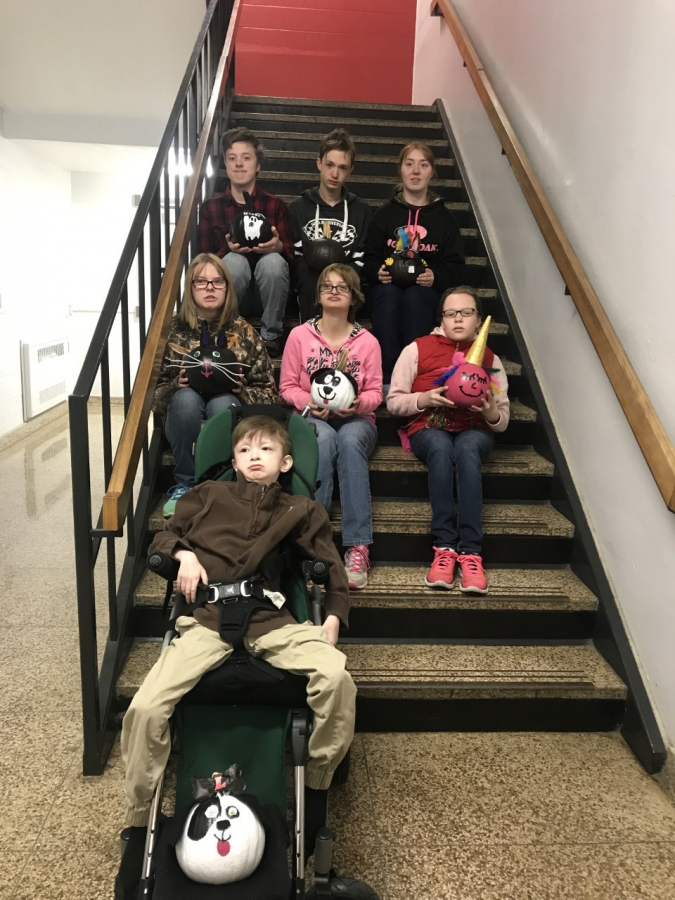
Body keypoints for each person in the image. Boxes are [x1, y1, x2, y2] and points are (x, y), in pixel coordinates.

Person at [116, 415, 356, 900]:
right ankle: (140, 820)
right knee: (144, 707)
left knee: (336, 678)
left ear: (285, 462)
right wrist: (183, 556)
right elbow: (164, 538)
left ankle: (318, 786)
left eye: (266, 450)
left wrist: (333, 614)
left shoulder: (301, 509)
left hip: (271, 620)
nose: (254, 456)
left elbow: (330, 565)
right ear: (233, 459)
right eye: (245, 449)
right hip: (206, 619)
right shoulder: (204, 497)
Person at [386, 286, 510, 593]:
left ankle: (470, 553)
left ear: (478, 320)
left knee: (466, 450)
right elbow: (393, 402)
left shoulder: (490, 358)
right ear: (441, 317)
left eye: (466, 313)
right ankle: (444, 548)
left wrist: (492, 410)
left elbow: (502, 423)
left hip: (474, 430)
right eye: (450, 313)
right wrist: (425, 398)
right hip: (428, 428)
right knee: (441, 449)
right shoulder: (417, 348)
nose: (458, 319)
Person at [279, 264, 383, 590]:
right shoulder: (299, 336)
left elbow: (377, 392)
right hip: (313, 416)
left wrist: (359, 404)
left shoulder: (367, 342)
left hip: (357, 419)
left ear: (353, 297)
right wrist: (310, 405)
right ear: (318, 295)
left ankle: (358, 546)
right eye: (327, 286)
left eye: (342, 287)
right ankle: (314, 542)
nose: (334, 291)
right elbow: (286, 387)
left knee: (350, 442)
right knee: (321, 440)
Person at [154, 253, 277, 517]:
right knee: (186, 400)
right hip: (182, 412)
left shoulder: (244, 331)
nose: (210, 288)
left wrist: (243, 390)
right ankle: (186, 484)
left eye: (217, 282)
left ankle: (219, 482)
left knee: (223, 404)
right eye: (201, 282)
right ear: (190, 288)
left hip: (228, 406)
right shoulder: (172, 330)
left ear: (227, 288)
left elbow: (269, 390)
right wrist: (177, 384)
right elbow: (153, 396)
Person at [363, 141, 465, 385]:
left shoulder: (445, 219)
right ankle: (388, 374)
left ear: (432, 171)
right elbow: (369, 258)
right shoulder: (384, 214)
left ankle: (414, 374)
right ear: (401, 169)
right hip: (387, 289)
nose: (416, 171)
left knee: (415, 297)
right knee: (388, 296)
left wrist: (435, 276)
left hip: (425, 293)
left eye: (423, 164)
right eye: (409, 164)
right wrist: (377, 272)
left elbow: (456, 267)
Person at [197, 127, 294, 357]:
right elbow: (202, 262)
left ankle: (271, 336)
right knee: (234, 261)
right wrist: (226, 250)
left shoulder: (276, 206)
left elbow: (291, 256)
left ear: (257, 165)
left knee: (272, 261)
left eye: (246, 158)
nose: (239, 164)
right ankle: (229, 332)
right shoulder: (211, 207)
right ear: (226, 165)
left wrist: (278, 247)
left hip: (268, 295)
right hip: (229, 293)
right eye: (232, 158)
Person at [288, 129, 372, 321]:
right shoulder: (298, 208)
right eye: (330, 165)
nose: (335, 173)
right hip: (310, 278)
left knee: (342, 285)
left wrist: (339, 280)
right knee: (311, 281)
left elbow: (360, 258)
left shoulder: (361, 210)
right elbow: (297, 257)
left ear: (351, 170)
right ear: (319, 163)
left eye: (342, 167)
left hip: (346, 278)